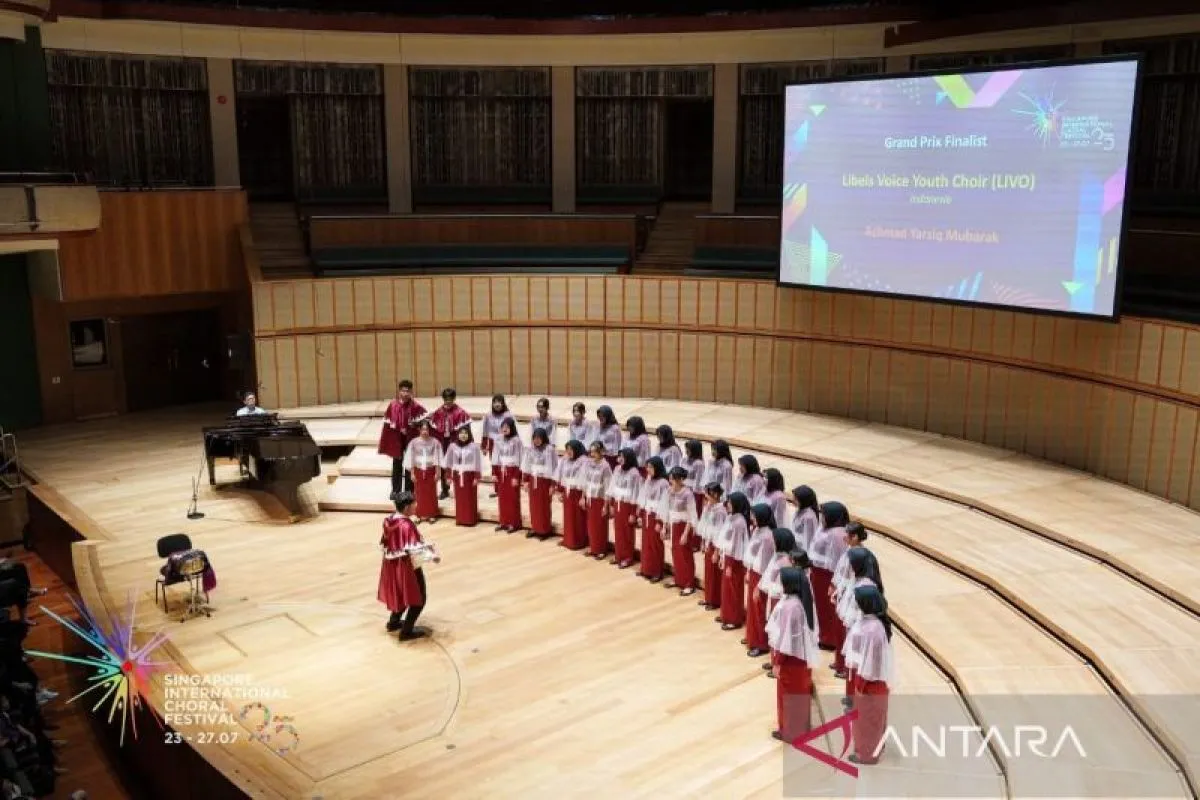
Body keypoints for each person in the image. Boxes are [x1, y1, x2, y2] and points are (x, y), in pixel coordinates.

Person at [378, 491, 440, 641]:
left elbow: (384, 544)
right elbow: (414, 550)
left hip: (392, 565)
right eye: (414, 503)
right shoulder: (407, 525)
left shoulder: (389, 520)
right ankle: (406, 632)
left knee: (401, 593)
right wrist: (432, 556)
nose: (416, 505)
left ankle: (393, 622)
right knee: (419, 598)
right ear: (406, 507)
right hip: (407, 567)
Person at [767, 566, 819, 742]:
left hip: (790, 661)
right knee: (797, 695)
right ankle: (799, 728)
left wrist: (777, 662)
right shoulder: (797, 602)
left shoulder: (790, 607)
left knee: (787, 696)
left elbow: (785, 640)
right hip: (798, 659)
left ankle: (790, 732)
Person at [846, 585, 893, 765]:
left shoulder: (873, 629)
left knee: (867, 719)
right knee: (871, 718)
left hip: (870, 682)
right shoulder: (873, 624)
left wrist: (861, 686)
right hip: (871, 680)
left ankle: (866, 754)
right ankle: (873, 747)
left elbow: (871, 664)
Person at [809, 501, 851, 657]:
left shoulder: (838, 534)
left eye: (824, 515)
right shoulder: (824, 528)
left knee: (828, 608)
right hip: (818, 572)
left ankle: (830, 639)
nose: (821, 517)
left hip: (828, 575)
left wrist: (834, 582)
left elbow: (838, 560)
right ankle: (823, 635)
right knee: (820, 607)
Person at [378, 380, 427, 495]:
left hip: (410, 439)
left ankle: (409, 491)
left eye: (407, 391)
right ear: (399, 391)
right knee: (397, 464)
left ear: (411, 392)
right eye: (403, 391)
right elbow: (387, 426)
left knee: (410, 464)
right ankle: (396, 490)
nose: (405, 394)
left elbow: (424, 424)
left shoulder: (416, 407)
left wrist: (414, 427)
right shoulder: (393, 405)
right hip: (397, 439)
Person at [743, 503, 778, 658]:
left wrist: (759, 585)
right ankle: (752, 636)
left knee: (759, 609)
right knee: (752, 607)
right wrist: (748, 570)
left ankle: (760, 643)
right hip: (754, 572)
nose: (751, 518)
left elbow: (764, 563)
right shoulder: (757, 530)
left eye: (754, 515)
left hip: (761, 576)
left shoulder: (768, 536)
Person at [715, 491, 751, 630]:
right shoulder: (732, 517)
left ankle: (734, 619)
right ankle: (726, 614)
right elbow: (724, 538)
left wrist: (729, 564)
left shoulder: (739, 522)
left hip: (735, 560)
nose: (727, 504)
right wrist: (722, 555)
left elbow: (736, 545)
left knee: (733, 589)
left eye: (730, 502)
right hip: (729, 557)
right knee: (726, 589)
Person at [427, 388, 472, 500]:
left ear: (454, 398)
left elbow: (467, 430)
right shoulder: (438, 412)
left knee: (458, 465)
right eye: (446, 399)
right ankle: (445, 490)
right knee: (444, 466)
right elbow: (432, 429)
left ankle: (460, 487)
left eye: (450, 399)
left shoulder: (460, 413)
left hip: (456, 442)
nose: (448, 401)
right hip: (443, 442)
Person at [661, 466, 699, 596]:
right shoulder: (669, 491)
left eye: (672, 478)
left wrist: (685, 533)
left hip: (683, 526)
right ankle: (678, 579)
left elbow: (691, 515)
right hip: (673, 524)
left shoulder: (687, 494)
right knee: (675, 552)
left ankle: (689, 584)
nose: (670, 480)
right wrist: (664, 526)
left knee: (685, 555)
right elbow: (666, 509)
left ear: (679, 479)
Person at [607, 448, 643, 569]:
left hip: (627, 506)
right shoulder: (617, 469)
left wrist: (633, 513)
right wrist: (612, 505)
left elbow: (636, 494)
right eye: (619, 456)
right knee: (618, 531)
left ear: (629, 458)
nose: (620, 459)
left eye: (622, 456)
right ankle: (618, 555)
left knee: (627, 533)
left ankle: (627, 557)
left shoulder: (634, 473)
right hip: (617, 503)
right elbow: (613, 486)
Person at [402, 421, 444, 523]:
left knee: (431, 493)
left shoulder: (435, 442)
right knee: (419, 493)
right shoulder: (414, 442)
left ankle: (432, 514)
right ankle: (419, 513)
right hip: (418, 470)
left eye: (427, 429)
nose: (425, 431)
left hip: (431, 470)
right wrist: (412, 473)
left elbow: (437, 458)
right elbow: (411, 458)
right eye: (423, 429)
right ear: (419, 430)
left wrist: (438, 472)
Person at [521, 427, 558, 540]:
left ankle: (544, 530)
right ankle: (535, 527)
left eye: (538, 438)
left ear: (543, 438)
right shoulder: (530, 449)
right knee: (533, 505)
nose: (536, 441)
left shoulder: (550, 450)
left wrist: (553, 485)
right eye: (535, 438)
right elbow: (527, 466)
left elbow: (555, 468)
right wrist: (526, 481)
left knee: (544, 506)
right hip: (534, 480)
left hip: (544, 482)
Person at [636, 457, 669, 582]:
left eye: (650, 467)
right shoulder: (649, 479)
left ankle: (656, 572)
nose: (648, 470)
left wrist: (660, 522)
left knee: (655, 544)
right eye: (647, 467)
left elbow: (665, 504)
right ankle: (646, 568)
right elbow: (643, 495)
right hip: (647, 514)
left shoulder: (663, 483)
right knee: (646, 542)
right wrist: (640, 512)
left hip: (656, 516)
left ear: (657, 468)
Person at [442, 424, 482, 526]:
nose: (463, 435)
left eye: (465, 433)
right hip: (457, 475)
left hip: (469, 476)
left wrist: (476, 477)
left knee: (470, 498)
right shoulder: (452, 446)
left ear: (469, 435)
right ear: (458, 435)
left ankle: (470, 520)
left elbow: (477, 463)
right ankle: (460, 519)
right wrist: (448, 476)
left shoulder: (474, 447)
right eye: (461, 433)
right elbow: (448, 462)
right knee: (459, 498)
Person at [696, 482, 728, 610]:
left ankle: (714, 600)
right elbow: (705, 525)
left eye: (707, 494)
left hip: (715, 545)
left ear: (715, 494)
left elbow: (719, 532)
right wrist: (703, 541)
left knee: (715, 574)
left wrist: (716, 552)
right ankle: (708, 597)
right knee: (708, 572)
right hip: (709, 543)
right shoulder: (709, 507)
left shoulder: (721, 511)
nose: (705, 496)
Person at [580, 441, 613, 560]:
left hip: (599, 499)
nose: (592, 454)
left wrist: (606, 505)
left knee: (600, 526)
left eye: (595, 452)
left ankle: (601, 550)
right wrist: (583, 497)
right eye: (591, 452)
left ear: (600, 452)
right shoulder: (588, 464)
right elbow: (585, 481)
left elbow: (608, 487)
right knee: (591, 525)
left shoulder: (605, 466)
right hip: (590, 498)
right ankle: (593, 547)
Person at [493, 417, 524, 532]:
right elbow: (495, 457)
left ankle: (514, 523)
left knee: (513, 498)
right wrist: (494, 473)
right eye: (503, 427)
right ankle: (503, 522)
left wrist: (516, 476)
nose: (505, 429)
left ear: (512, 428)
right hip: (501, 471)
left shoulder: (517, 441)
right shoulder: (498, 440)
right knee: (502, 498)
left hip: (512, 471)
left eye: (507, 427)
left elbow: (520, 459)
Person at [555, 440, 587, 550]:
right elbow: (561, 474)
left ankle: (578, 541)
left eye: (571, 449)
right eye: (567, 449)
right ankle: (568, 539)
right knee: (568, 516)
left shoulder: (583, 461)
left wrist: (583, 497)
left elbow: (585, 479)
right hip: (568, 491)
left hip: (577, 492)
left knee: (577, 518)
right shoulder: (565, 459)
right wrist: (561, 491)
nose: (568, 451)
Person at [480, 394, 510, 497]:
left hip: (506, 443)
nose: (497, 404)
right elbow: (485, 431)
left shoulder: (508, 415)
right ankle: (497, 489)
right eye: (495, 402)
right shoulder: (488, 416)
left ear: (503, 403)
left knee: (505, 465)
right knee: (495, 466)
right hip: (493, 444)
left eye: (499, 402)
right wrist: (484, 446)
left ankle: (505, 488)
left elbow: (513, 431)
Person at [787, 485, 821, 552]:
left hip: (801, 551)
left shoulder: (809, 517)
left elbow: (809, 540)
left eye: (795, 499)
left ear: (803, 501)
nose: (793, 500)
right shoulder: (800, 509)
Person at [681, 440, 706, 516]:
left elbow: (698, 481)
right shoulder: (684, 459)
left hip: (694, 492)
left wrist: (692, 493)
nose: (686, 451)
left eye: (688, 449)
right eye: (686, 449)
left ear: (694, 450)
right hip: (682, 489)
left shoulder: (699, 463)